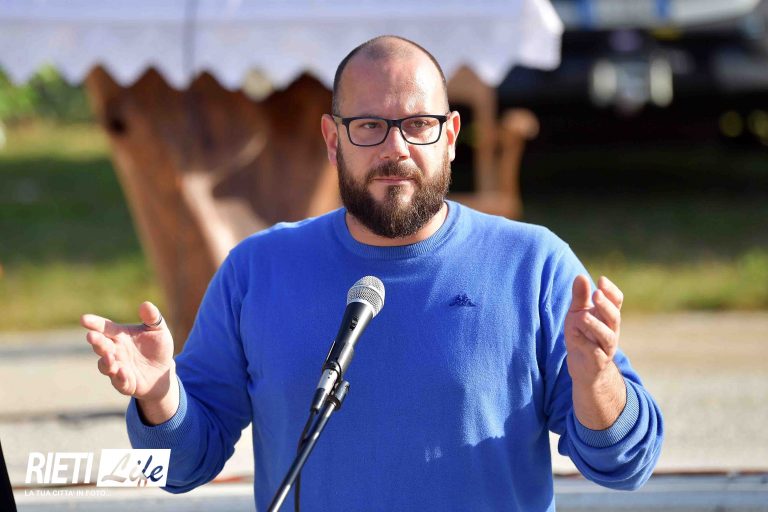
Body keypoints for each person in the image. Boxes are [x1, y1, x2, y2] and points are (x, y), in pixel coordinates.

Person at [80, 35, 663, 511]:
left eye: (418, 124)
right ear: (333, 139)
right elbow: (180, 468)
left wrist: (596, 383)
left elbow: (626, 464)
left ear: (451, 136)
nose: (396, 147)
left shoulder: (533, 265)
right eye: (368, 126)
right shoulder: (257, 271)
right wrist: (159, 395)